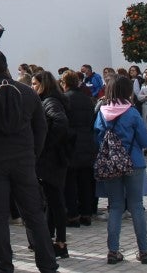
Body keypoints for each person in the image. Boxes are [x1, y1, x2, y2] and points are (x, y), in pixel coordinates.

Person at [0, 51, 58, 273]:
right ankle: (48, 265)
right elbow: (41, 127)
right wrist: (33, 153)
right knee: (34, 215)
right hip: (23, 159)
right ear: (6, 66)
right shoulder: (27, 93)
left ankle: (3, 267)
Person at [95, 75, 147, 264]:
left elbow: (98, 139)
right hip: (134, 161)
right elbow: (145, 141)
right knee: (136, 206)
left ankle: (113, 251)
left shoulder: (102, 112)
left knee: (115, 207)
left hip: (111, 163)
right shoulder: (132, 112)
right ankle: (143, 251)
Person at [32, 70, 71, 260]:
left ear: (43, 84)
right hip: (54, 159)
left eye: (34, 84)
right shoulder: (52, 100)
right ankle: (49, 240)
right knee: (52, 200)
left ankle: (60, 243)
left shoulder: (50, 102)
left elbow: (60, 123)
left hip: (52, 160)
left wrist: (46, 144)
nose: (32, 87)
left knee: (55, 201)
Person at [60, 69, 96, 227]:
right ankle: (86, 213)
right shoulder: (87, 99)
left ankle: (73, 215)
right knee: (85, 181)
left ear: (64, 83)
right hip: (87, 142)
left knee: (70, 182)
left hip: (71, 143)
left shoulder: (64, 99)